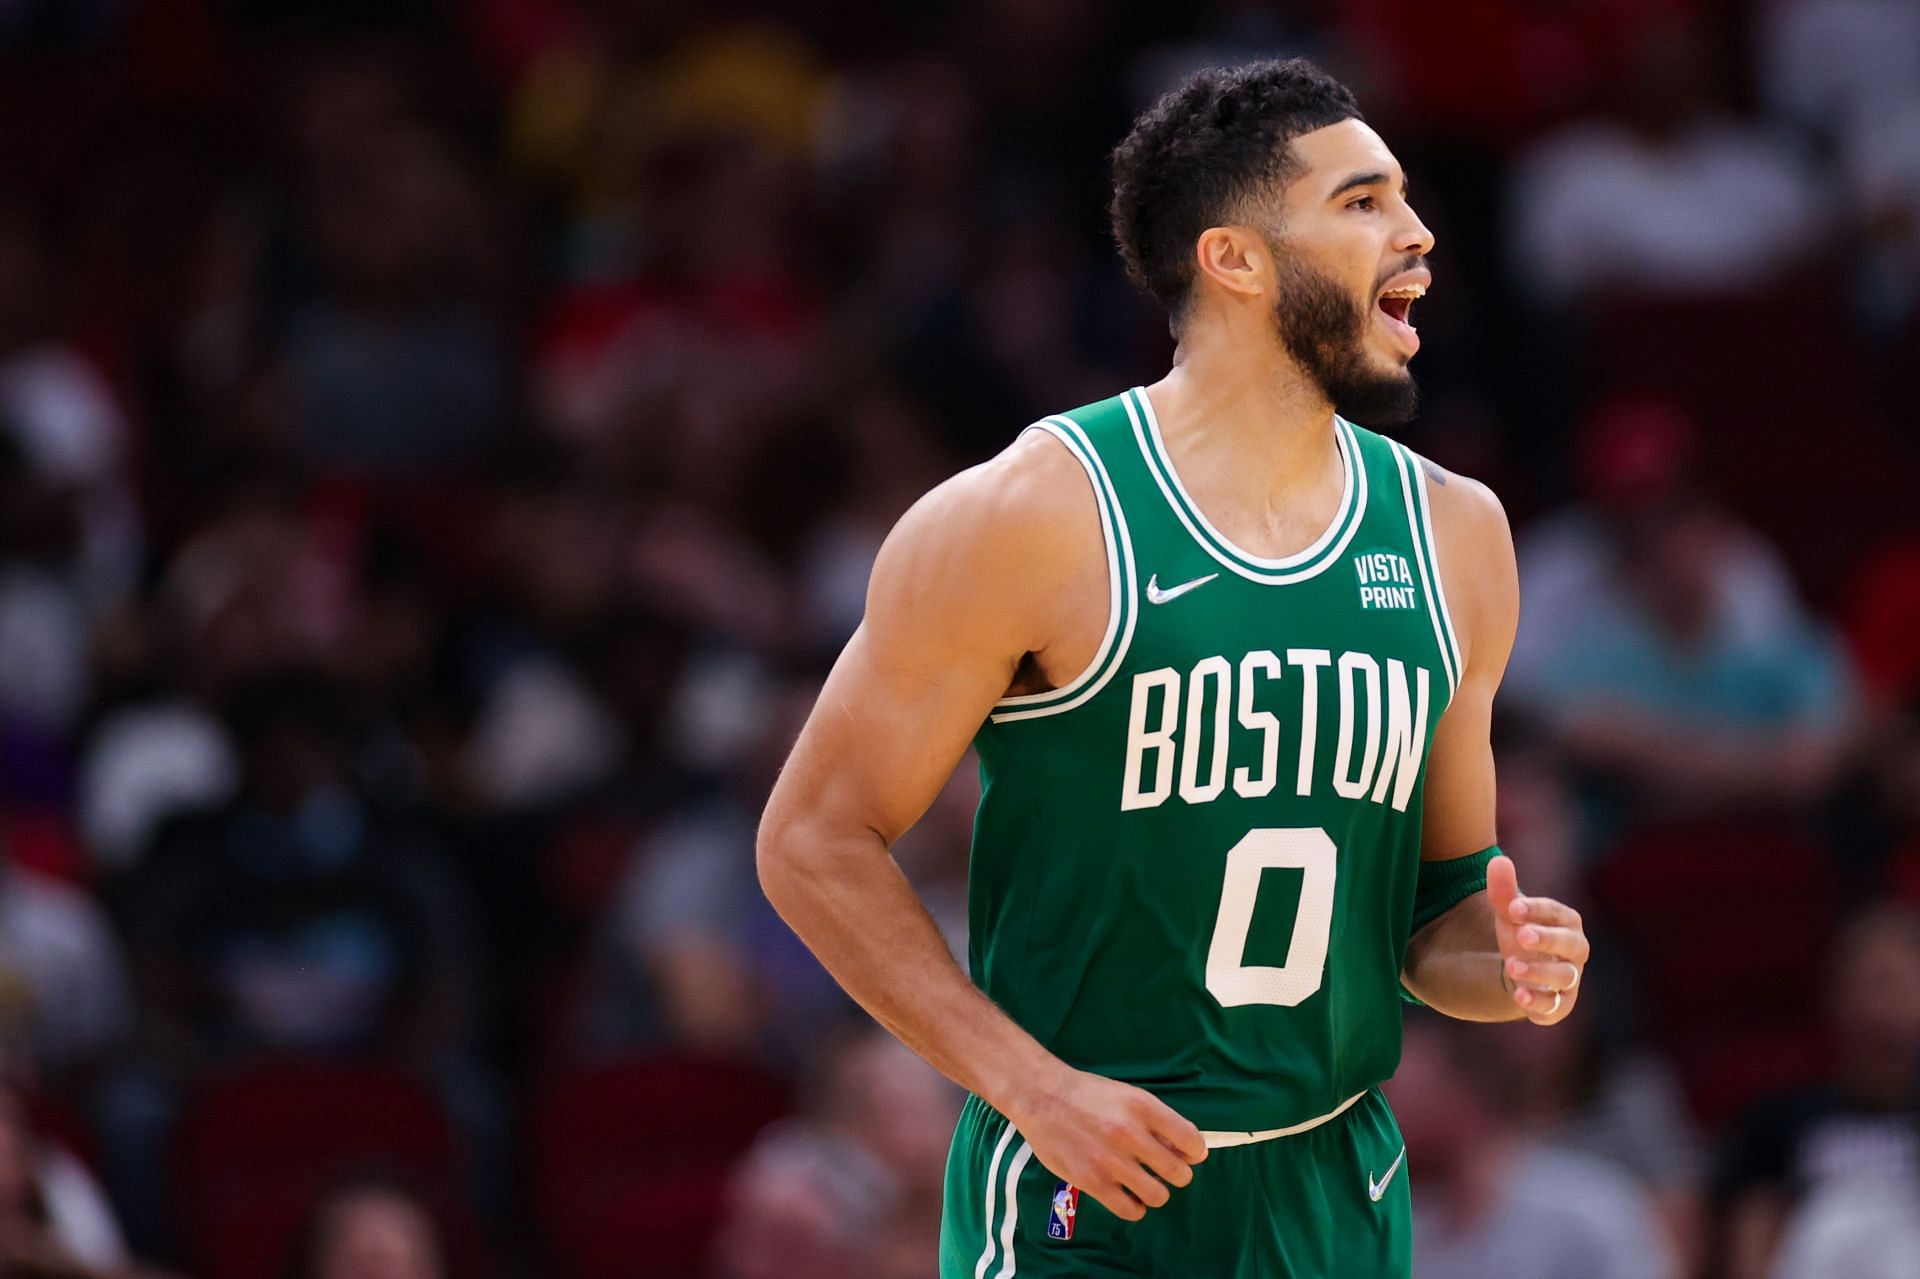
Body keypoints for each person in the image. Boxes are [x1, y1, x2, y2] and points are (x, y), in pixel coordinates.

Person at [758, 57, 1592, 1278]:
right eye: (1362, 203)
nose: (1416, 233)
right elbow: (810, 840)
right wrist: (1031, 1089)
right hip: (1085, 1184)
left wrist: (1510, 963)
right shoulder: (1030, 516)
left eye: (1405, 200)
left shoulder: (1458, 537)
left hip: (1332, 1183)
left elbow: (1438, 919)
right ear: (1236, 258)